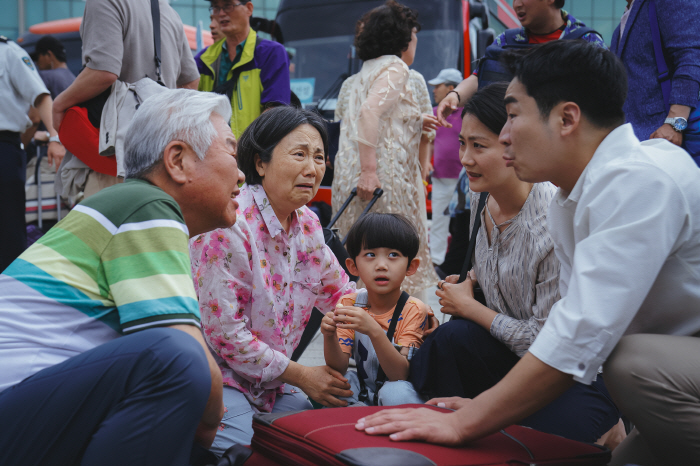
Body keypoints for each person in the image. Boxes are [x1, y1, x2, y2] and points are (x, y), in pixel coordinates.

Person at [356, 39, 700, 465]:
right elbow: (564, 330)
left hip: (658, 369)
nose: (503, 135)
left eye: (513, 115)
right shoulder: (570, 199)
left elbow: (579, 335)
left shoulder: (639, 181)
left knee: (633, 364)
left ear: (567, 118)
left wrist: (469, 421)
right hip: (662, 373)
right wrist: (486, 410)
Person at [0, 89, 248, 465]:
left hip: (28, 405)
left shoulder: (124, 203)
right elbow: (189, 358)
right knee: (177, 359)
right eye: (231, 150)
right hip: (14, 402)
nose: (242, 175)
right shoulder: (146, 204)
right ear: (177, 160)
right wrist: (208, 426)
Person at [410, 83, 622, 446]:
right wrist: (472, 283)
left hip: (569, 371)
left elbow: (546, 340)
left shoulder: (551, 223)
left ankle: (611, 429)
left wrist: (469, 307)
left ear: (512, 144)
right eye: (462, 143)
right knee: (449, 340)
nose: (465, 158)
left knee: (534, 439)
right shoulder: (481, 199)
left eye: (479, 146)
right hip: (514, 356)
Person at [189, 106, 355, 452]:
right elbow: (225, 336)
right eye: (299, 155)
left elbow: (342, 296)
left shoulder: (307, 224)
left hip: (270, 384)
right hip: (215, 379)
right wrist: (304, 376)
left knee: (328, 425)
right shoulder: (229, 225)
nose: (312, 169)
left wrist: (402, 314)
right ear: (260, 163)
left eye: (320, 157)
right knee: (234, 446)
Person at [332, 0, 438, 300]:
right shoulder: (396, 67)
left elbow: (346, 126)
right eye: (414, 35)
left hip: (350, 181)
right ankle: (397, 337)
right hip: (382, 180)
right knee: (395, 259)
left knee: (362, 260)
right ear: (402, 37)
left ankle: (363, 334)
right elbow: (369, 113)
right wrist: (369, 170)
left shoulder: (357, 77)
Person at [52, 0, 200, 198]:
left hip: (115, 160)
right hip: (162, 160)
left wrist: (59, 104)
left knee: (106, 227)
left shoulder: (105, 2)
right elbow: (190, 82)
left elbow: (103, 71)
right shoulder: (167, 11)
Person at [435, 0, 604, 128]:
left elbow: (603, 101)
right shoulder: (505, 41)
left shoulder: (586, 42)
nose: (517, 5)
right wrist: (454, 96)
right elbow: (479, 77)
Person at [322, 213, 430, 407]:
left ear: (411, 266)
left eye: (393, 255)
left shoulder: (414, 309)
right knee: (333, 383)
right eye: (370, 255)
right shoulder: (349, 303)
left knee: (396, 393)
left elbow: (400, 374)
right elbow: (339, 366)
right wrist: (329, 336)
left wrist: (373, 330)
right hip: (362, 388)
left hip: (399, 389)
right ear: (353, 266)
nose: (381, 265)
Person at [0, 36, 64, 272]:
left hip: (3, 148)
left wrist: (54, 138)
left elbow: (41, 97)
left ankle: (8, 295)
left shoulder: (8, 52)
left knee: (8, 230)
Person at [610, 0, 700, 145]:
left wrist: (674, 124)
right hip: (638, 139)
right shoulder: (629, 14)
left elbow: (690, 57)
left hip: (663, 138)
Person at [197, 0, 290, 138]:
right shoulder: (203, 59)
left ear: (249, 9)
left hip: (254, 155)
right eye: (216, 7)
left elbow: (276, 113)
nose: (221, 13)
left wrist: (246, 150)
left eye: (228, 5)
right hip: (214, 153)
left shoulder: (272, 53)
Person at [426, 68, 463, 267]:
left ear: (451, 88)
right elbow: (430, 141)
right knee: (439, 219)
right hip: (440, 177)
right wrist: (427, 162)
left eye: (438, 86)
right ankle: (438, 260)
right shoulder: (434, 113)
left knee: (463, 222)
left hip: (464, 179)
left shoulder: (468, 114)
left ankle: (461, 259)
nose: (434, 90)